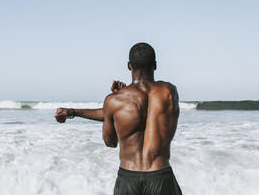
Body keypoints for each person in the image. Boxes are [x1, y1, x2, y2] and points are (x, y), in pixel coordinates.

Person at [55, 42, 182, 195]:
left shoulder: (115, 101)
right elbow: (146, 107)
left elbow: (110, 142)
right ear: (155, 65)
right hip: (160, 176)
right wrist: (74, 112)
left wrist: (117, 102)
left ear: (129, 66)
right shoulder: (169, 92)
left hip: (128, 178)